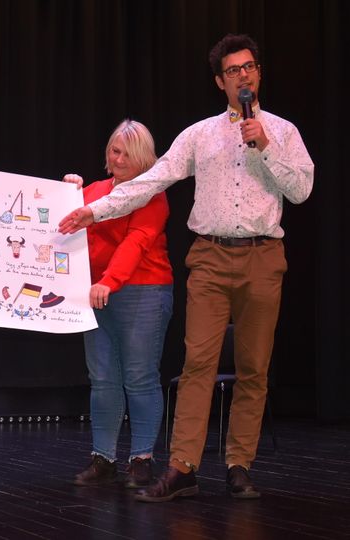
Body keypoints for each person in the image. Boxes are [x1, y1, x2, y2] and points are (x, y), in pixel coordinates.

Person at [59, 34, 314, 501]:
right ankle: (183, 468)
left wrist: (265, 146)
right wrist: (94, 210)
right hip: (210, 257)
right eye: (233, 70)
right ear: (220, 81)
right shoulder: (200, 134)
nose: (242, 75)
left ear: (258, 73)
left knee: (254, 368)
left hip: (262, 256)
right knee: (197, 364)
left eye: (249, 67)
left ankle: (239, 464)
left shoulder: (283, 132)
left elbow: (301, 190)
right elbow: (152, 180)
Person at [63, 119, 174, 488]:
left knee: (140, 378)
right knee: (102, 380)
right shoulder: (93, 191)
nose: (120, 159)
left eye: (130, 153)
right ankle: (104, 459)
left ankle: (141, 459)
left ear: (146, 160)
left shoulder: (152, 195)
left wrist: (109, 281)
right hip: (98, 293)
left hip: (143, 290)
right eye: (115, 150)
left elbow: (137, 241)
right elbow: (57, 222)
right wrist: (66, 191)